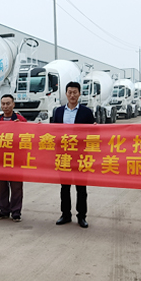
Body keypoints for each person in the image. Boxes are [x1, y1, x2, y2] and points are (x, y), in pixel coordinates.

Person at [52, 81, 95, 228]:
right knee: (64, 187)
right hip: (63, 155)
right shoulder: (58, 111)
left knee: (81, 187)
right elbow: (52, 131)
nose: (72, 95)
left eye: (75, 92)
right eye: (69, 92)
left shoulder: (86, 112)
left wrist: (95, 128)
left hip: (80, 155)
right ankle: (65, 214)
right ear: (66, 94)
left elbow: (94, 133)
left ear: (79, 94)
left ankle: (81, 216)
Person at [0, 94, 27, 222]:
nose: (5, 106)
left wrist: (20, 127)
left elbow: (28, 135)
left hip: (16, 159)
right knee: (2, 186)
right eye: (3, 104)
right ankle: (4, 210)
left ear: (13, 104)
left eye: (8, 103)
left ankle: (16, 212)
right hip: (1, 159)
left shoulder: (20, 119)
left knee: (16, 186)